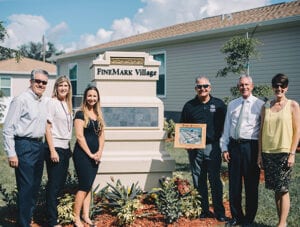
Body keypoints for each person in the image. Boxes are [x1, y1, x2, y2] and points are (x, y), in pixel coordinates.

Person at [3, 69, 49, 227]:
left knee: (35, 186)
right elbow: (8, 128)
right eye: (38, 81)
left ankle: (28, 219)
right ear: (31, 82)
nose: (41, 84)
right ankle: (23, 223)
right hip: (24, 146)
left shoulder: (43, 101)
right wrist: (11, 153)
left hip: (39, 146)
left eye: (44, 82)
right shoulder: (21, 100)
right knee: (26, 187)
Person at [180, 76, 228, 222]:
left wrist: (224, 146)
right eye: (199, 86)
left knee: (214, 180)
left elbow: (226, 127)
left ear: (210, 88)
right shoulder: (189, 106)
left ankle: (219, 212)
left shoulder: (219, 105)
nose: (203, 89)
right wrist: (186, 143)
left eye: (205, 86)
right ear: (196, 88)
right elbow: (183, 126)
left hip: (213, 147)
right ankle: (203, 210)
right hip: (195, 148)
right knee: (198, 179)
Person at [220, 75, 264, 226]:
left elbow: (263, 131)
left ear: (252, 86)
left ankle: (249, 219)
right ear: (238, 87)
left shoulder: (260, 105)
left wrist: (260, 153)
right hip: (234, 147)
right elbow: (227, 127)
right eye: (241, 85)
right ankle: (236, 217)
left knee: (251, 185)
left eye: (246, 85)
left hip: (251, 147)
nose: (244, 87)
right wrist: (224, 147)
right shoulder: (232, 104)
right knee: (234, 185)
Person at [257, 73, 300, 227]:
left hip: (284, 152)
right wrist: (259, 155)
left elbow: (297, 131)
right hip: (268, 153)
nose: (279, 88)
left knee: (283, 188)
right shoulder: (266, 106)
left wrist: (292, 153)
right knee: (276, 188)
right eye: (276, 86)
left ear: (286, 88)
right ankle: (280, 221)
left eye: (282, 86)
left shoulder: (293, 105)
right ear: (272, 87)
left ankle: (282, 223)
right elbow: (261, 131)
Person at [73, 85, 105, 227]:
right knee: (83, 186)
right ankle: (76, 218)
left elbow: (102, 136)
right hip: (82, 155)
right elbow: (79, 137)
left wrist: (99, 152)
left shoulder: (98, 115)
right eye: (89, 95)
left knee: (89, 186)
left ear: (97, 98)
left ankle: (86, 216)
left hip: (95, 156)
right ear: (85, 97)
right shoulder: (80, 114)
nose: (92, 98)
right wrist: (90, 154)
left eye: (94, 96)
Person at [45, 75, 73, 227]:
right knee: (54, 185)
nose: (63, 88)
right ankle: (51, 221)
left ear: (69, 88)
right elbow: (47, 128)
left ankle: (54, 215)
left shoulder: (66, 104)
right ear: (56, 87)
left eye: (66, 86)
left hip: (65, 148)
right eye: (60, 85)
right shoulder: (52, 103)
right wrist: (52, 150)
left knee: (60, 184)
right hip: (55, 147)